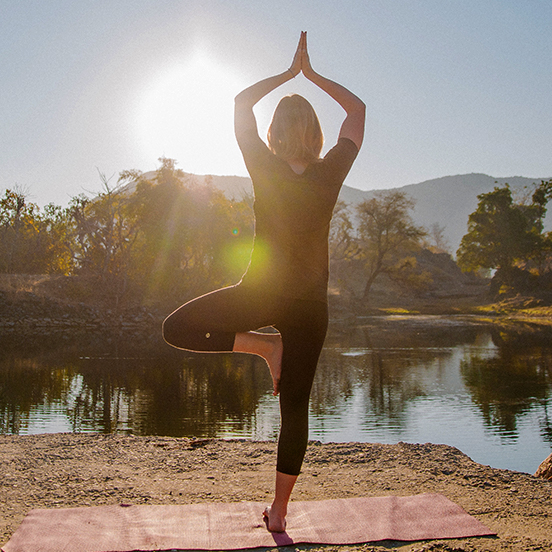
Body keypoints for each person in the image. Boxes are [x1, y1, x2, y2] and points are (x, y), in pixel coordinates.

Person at [162, 31, 365, 532]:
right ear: (316, 135)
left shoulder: (264, 164)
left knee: (176, 328)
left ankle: (258, 345)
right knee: (296, 407)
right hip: (309, 304)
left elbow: (238, 103)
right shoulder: (331, 169)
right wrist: (313, 76)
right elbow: (357, 111)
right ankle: (280, 511)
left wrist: (286, 75)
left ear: (273, 133)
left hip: (260, 292)